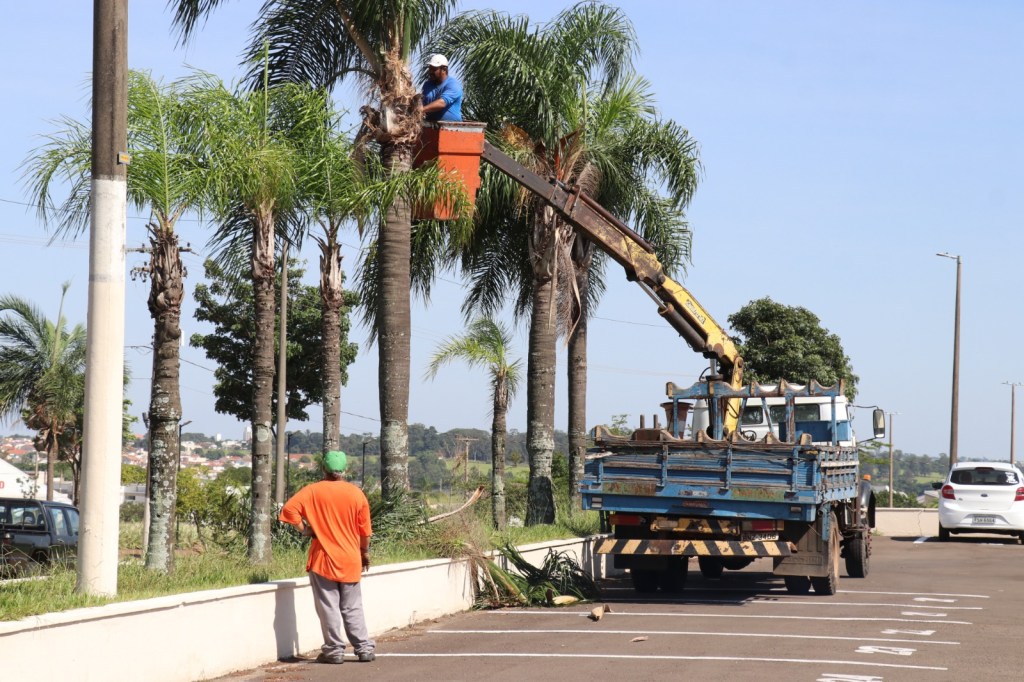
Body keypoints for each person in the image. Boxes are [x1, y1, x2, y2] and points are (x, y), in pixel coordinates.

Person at [279, 450, 375, 665]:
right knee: (353, 606)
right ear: (345, 471)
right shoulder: (356, 493)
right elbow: (365, 532)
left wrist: (306, 530)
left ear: (323, 469)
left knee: (328, 606)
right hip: (350, 558)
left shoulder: (312, 491)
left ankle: (334, 651)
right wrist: (364, 553)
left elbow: (289, 510)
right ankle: (364, 648)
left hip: (323, 559)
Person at [421, 53, 463, 122]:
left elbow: (442, 103)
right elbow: (422, 101)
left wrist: (421, 110)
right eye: (430, 69)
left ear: (444, 69)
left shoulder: (453, 85)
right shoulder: (427, 84)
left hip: (451, 128)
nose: (430, 72)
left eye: (434, 69)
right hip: (429, 125)